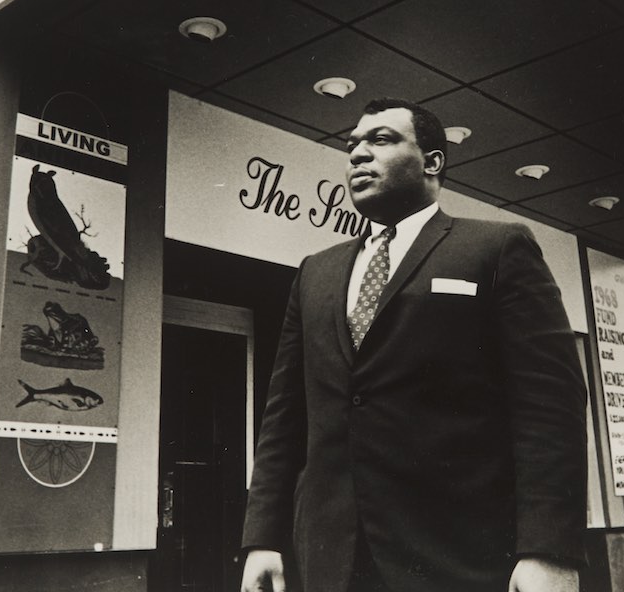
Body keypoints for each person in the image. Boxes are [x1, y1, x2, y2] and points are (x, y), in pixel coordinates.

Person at [240, 98, 587, 592]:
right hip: (329, 560)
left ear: (432, 162)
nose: (358, 153)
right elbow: (284, 419)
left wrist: (549, 551)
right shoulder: (315, 272)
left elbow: (551, 408)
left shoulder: (497, 248)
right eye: (352, 144)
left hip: (460, 558)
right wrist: (262, 538)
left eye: (381, 139)